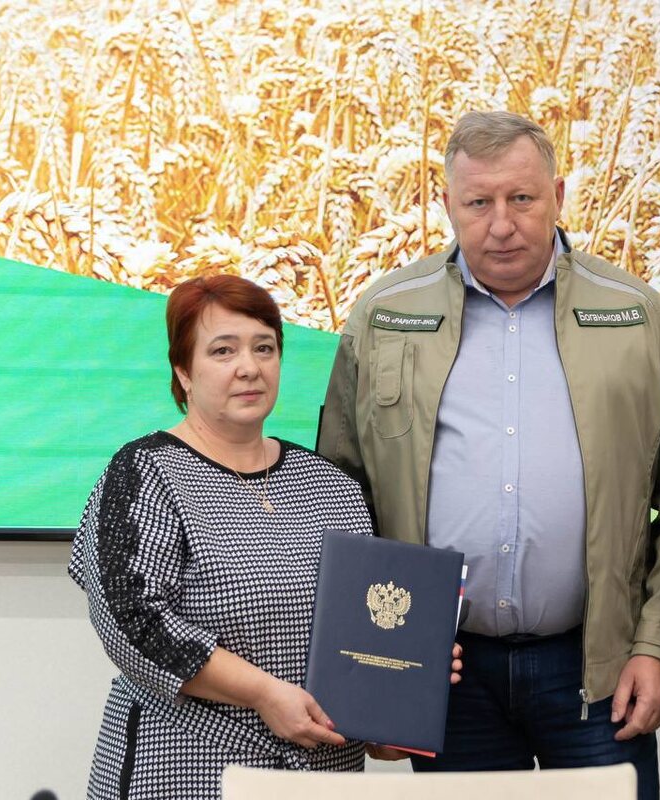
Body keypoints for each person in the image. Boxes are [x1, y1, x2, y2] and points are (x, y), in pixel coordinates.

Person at [318, 110, 660, 798]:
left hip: (594, 670)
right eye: (479, 203)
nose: (502, 224)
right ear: (448, 205)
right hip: (444, 669)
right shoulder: (384, 317)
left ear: (557, 195)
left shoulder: (638, 318)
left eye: (522, 198)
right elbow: (339, 498)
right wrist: (378, 673)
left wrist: (657, 645)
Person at [70, 275, 462, 798]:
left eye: (264, 348)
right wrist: (262, 694)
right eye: (222, 350)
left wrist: (398, 700)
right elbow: (132, 623)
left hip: (320, 776)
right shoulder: (146, 472)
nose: (249, 367)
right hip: (187, 769)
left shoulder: (331, 484)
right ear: (183, 371)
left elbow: (364, 631)